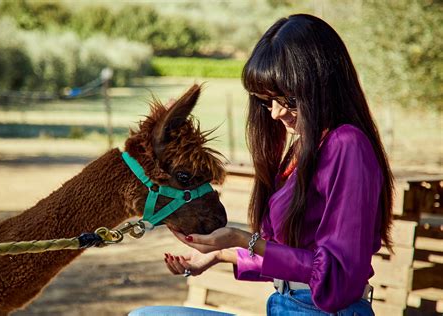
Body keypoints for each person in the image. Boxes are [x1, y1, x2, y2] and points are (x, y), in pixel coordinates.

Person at [131, 13, 394, 316]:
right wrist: (219, 254)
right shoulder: (301, 150)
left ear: (323, 87)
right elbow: (291, 260)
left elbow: (336, 277)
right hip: (286, 305)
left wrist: (244, 239)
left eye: (289, 100)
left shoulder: (347, 146)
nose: (275, 114)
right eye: (266, 101)